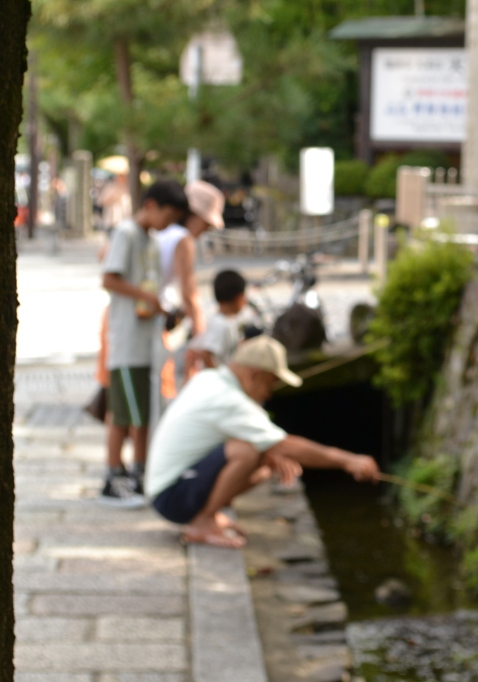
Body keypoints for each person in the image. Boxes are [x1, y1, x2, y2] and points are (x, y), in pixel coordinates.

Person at [146, 335, 380, 548]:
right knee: (247, 450)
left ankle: (210, 513)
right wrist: (348, 460)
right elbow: (283, 444)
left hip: (168, 489)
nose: (269, 393)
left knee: (265, 459)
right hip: (170, 497)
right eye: (270, 383)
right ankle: (202, 523)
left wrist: (271, 453)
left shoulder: (211, 379)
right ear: (254, 374)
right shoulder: (229, 399)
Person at [100, 179, 190, 507]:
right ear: (151, 205)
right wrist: (146, 297)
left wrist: (160, 306)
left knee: (142, 413)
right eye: (169, 215)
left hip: (145, 341)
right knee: (124, 415)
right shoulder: (125, 234)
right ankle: (112, 477)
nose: (169, 224)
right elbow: (108, 279)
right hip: (125, 341)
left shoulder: (151, 240)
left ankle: (139, 473)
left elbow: (146, 288)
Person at [156, 180, 225, 397]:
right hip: (151, 318)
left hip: (135, 314)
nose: (205, 231)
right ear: (194, 214)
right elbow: (189, 292)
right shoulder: (182, 239)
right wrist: (200, 335)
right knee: (159, 390)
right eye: (206, 224)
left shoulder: (161, 231)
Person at [187, 269, 247, 371]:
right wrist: (219, 376)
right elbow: (206, 353)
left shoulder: (224, 320)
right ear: (239, 297)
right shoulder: (220, 324)